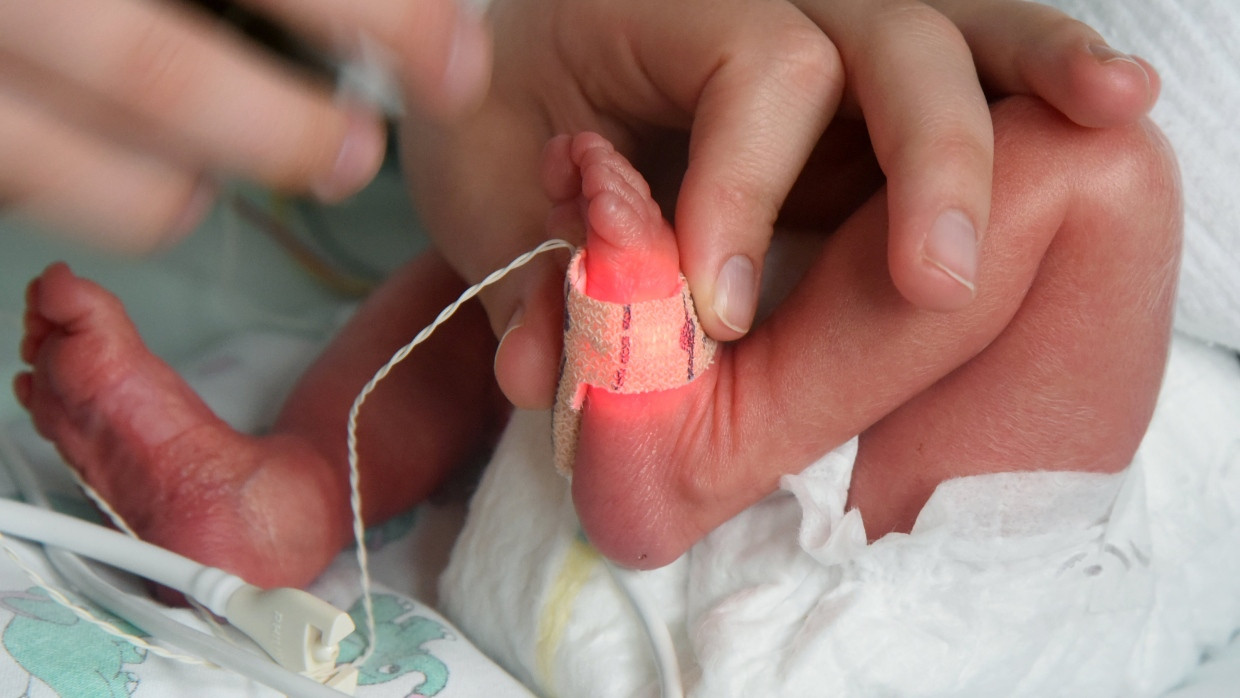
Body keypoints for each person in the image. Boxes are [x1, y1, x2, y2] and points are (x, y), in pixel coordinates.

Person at [8, 0, 1175, 588]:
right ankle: (306, 487)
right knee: (543, 220)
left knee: (1100, 161)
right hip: (668, 393)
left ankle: (700, 449)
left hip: (883, 573)